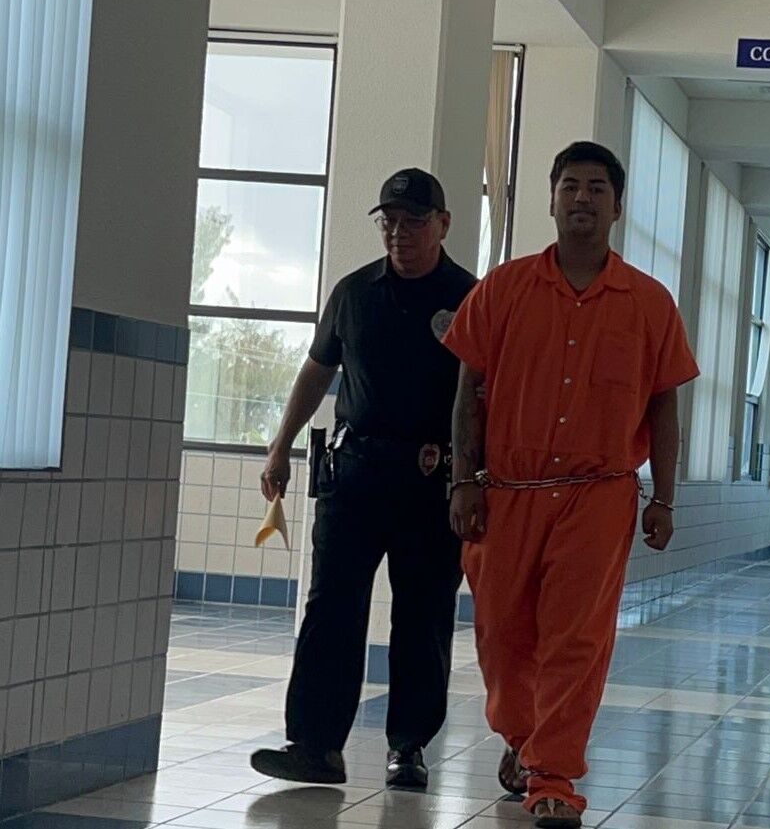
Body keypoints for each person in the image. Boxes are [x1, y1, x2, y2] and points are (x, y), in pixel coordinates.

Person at [443, 142, 699, 828]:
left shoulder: (648, 302)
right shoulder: (501, 288)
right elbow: (469, 388)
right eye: (569, 186)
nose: (581, 198)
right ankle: (523, 738)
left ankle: (552, 774)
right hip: (507, 492)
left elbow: (664, 405)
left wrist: (664, 496)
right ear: (551, 198)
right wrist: (462, 480)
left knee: (575, 639)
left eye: (596, 189)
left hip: (598, 495)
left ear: (616, 206)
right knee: (502, 635)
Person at [250, 168, 477, 789]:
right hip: (355, 474)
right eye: (390, 223)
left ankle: (408, 746)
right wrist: (280, 447)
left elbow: (488, 394)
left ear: (443, 225)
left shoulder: (471, 297)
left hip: (433, 480)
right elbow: (318, 371)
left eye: (413, 222)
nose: (399, 235)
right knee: (332, 608)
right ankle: (315, 746)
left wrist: (474, 478)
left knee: (423, 614)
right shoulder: (353, 293)